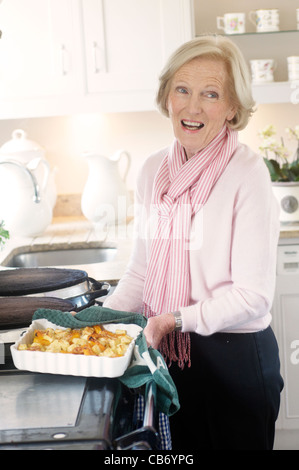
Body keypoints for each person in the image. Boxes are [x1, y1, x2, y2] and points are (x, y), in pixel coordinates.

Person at [103, 34, 283, 450]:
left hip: (235, 360)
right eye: (182, 89)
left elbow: (253, 296)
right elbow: (142, 273)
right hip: (171, 361)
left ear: (233, 107)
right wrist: (97, 320)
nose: (193, 106)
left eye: (211, 94)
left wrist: (172, 319)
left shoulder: (247, 173)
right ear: (167, 95)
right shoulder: (152, 170)